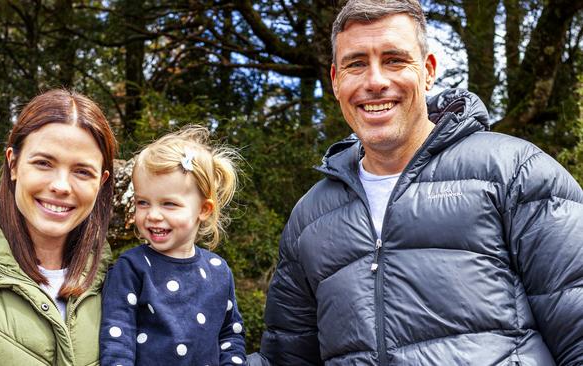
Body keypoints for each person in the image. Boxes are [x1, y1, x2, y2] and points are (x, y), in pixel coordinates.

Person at [248, 0, 583, 365]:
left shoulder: (515, 173)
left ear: (427, 71)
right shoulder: (309, 219)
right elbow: (287, 358)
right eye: (356, 63)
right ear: (335, 80)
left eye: (394, 60)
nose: (375, 81)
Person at [0, 89, 117, 365]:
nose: (60, 186)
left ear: (100, 183)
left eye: (82, 171)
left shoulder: (119, 283)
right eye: (44, 163)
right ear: (14, 164)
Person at [99, 126, 246, 366]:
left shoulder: (219, 271)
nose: (153, 215)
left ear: (203, 209)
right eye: (143, 202)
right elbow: (117, 338)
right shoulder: (131, 268)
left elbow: (231, 335)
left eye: (169, 204)